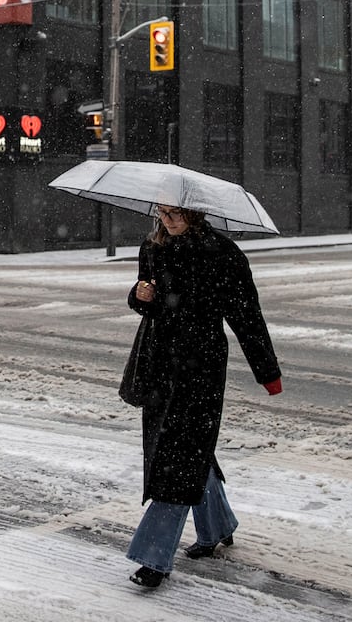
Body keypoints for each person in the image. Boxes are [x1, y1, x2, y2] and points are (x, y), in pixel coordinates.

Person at [123, 203, 282, 589]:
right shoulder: (153, 246)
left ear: (195, 213)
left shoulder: (222, 254)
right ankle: (217, 527)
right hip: (159, 362)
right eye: (161, 213)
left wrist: (268, 372)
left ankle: (153, 558)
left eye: (175, 214)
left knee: (177, 457)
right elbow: (147, 301)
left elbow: (246, 315)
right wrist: (139, 295)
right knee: (184, 448)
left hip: (201, 366)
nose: (167, 221)